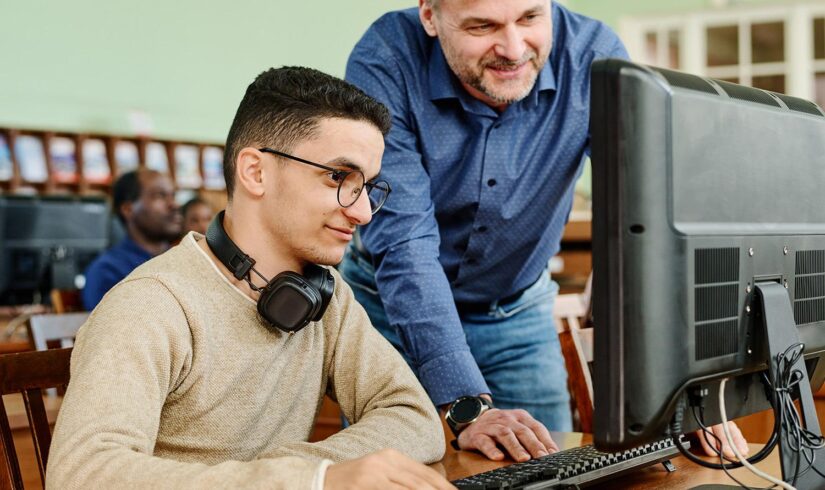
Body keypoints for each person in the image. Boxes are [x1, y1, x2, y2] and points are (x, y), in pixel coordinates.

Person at [342, 0, 748, 463]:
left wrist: (688, 384)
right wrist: (464, 405)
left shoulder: (593, 55)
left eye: (531, 17)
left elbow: (652, 216)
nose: (514, 49)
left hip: (517, 313)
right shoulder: (386, 59)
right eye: (482, 26)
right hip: (391, 310)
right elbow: (404, 243)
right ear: (430, 17)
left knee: (552, 467)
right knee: (388, 472)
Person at [47, 66, 451, 490]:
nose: (363, 212)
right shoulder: (151, 304)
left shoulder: (326, 295)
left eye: (367, 186)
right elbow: (82, 474)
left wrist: (312, 473)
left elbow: (414, 417)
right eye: (338, 177)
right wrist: (310, 480)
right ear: (256, 172)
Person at [81, 169, 182, 310]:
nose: (174, 204)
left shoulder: (183, 259)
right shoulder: (108, 271)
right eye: (160, 196)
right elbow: (109, 329)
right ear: (128, 209)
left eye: (173, 195)